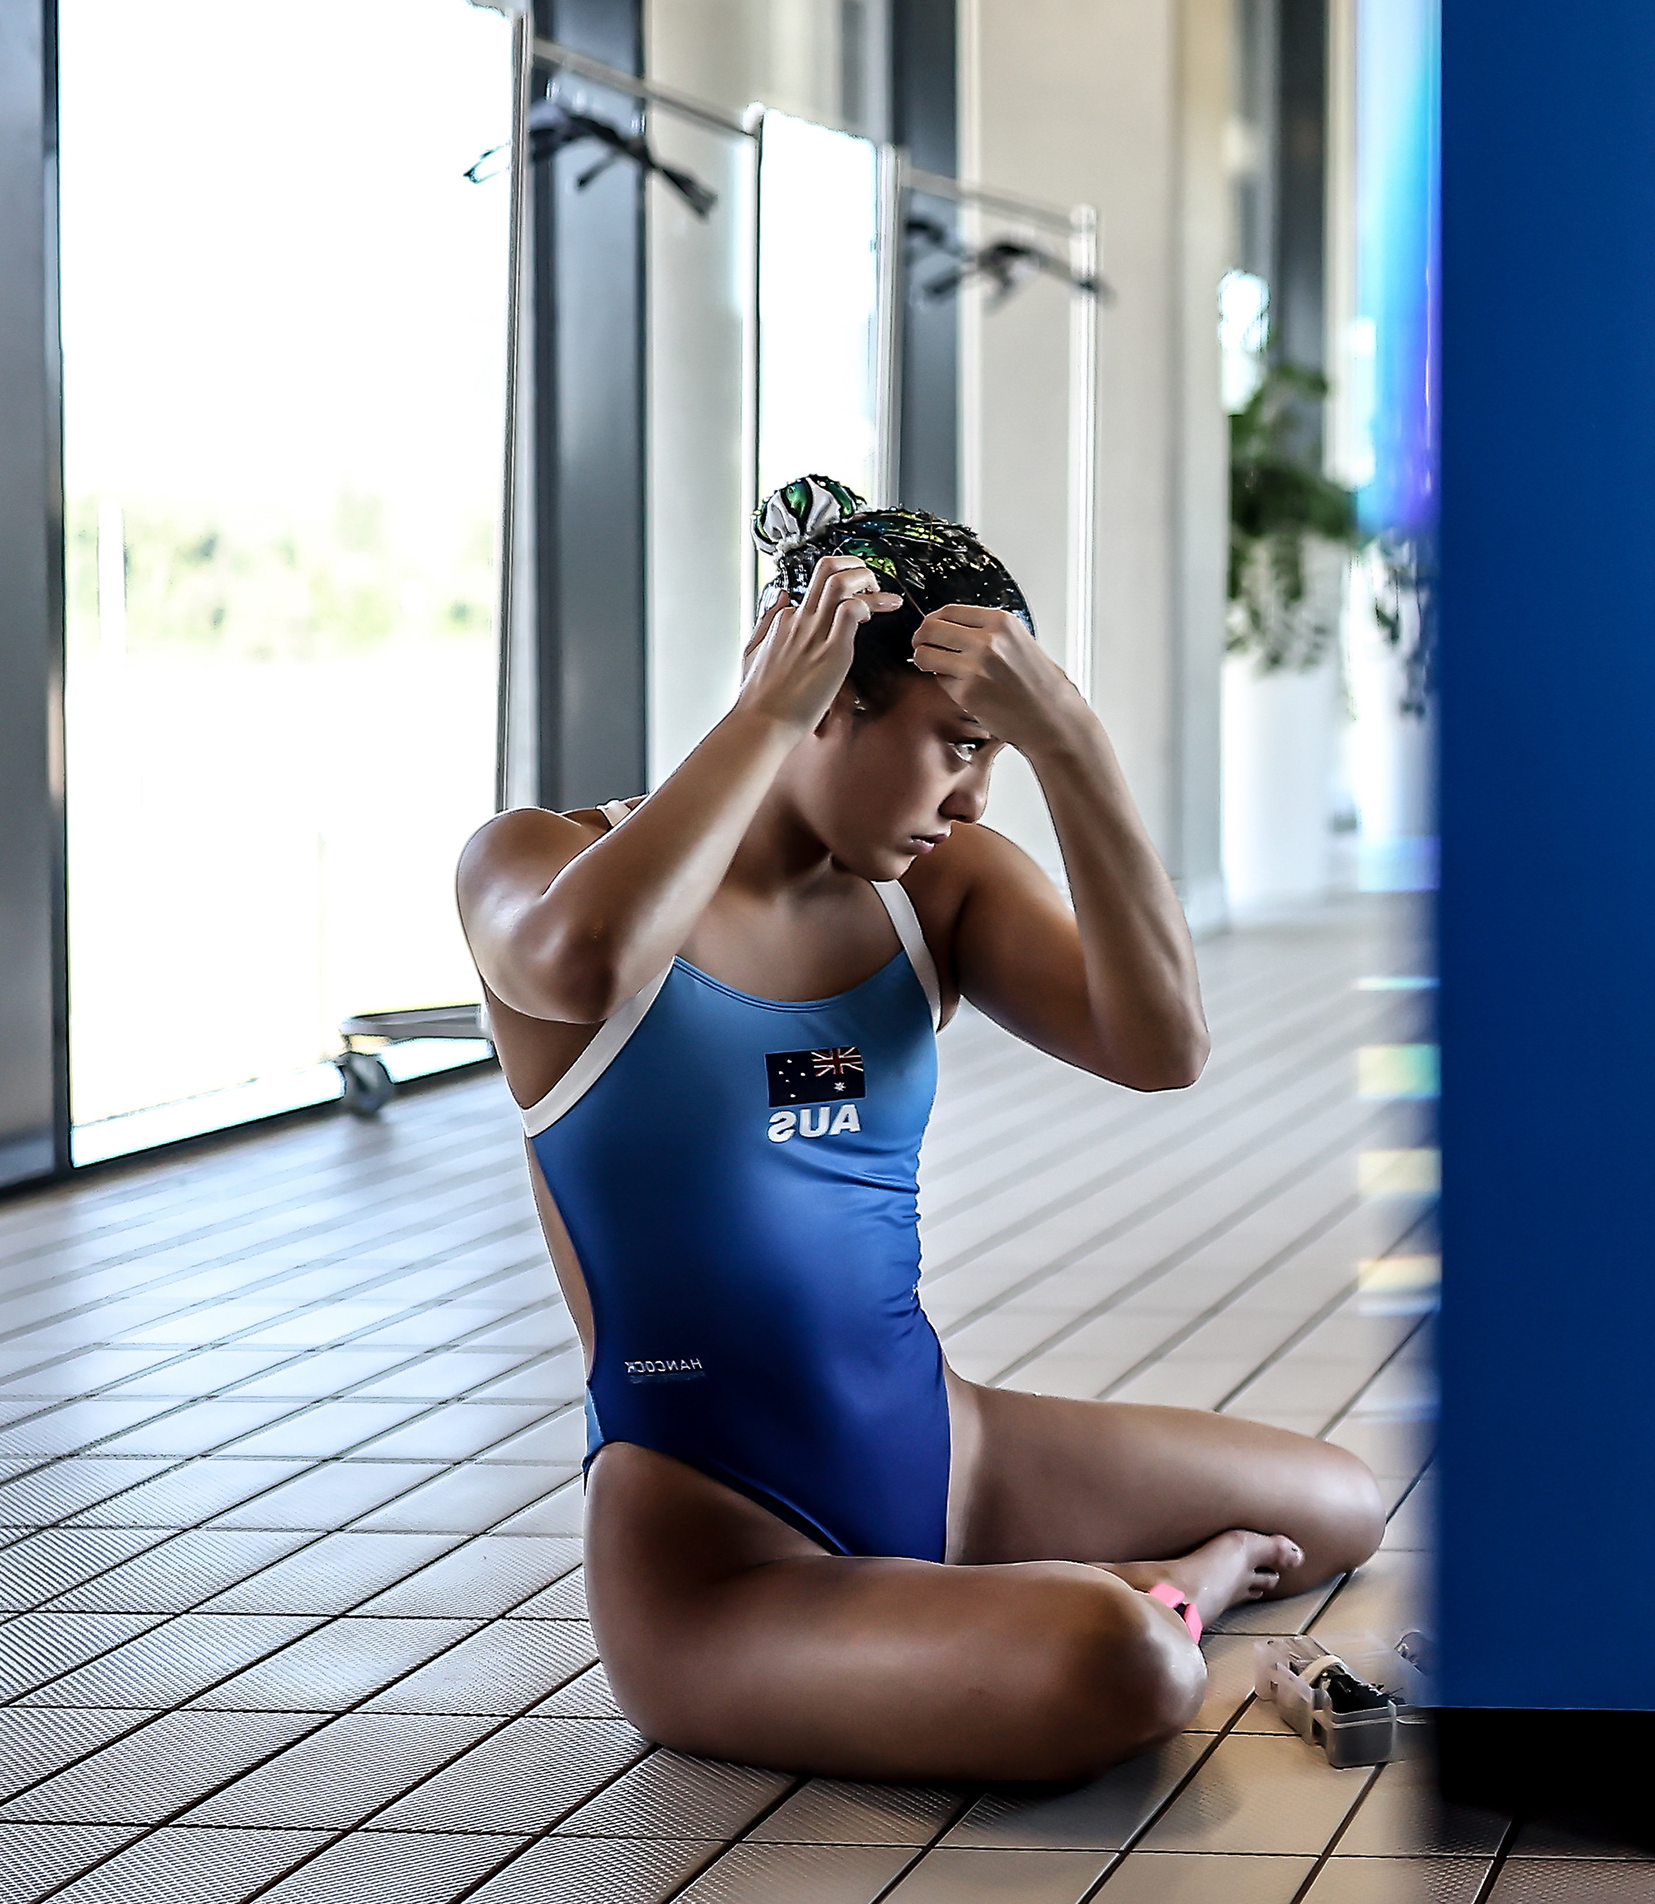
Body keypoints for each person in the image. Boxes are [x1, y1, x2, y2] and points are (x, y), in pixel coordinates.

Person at [459, 476, 1385, 1786]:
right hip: (720, 1560)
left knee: (1341, 1503)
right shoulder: (536, 863)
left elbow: (1162, 1046)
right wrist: (761, 710)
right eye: (958, 745)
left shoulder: (934, 891)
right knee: (1129, 1666)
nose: (974, 799)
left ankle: (1026, 1594)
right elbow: (582, 963)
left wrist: (1074, 744)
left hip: (950, 1454)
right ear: (828, 700)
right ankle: (1168, 1591)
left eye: (996, 754)